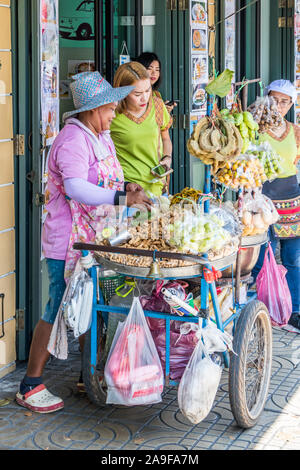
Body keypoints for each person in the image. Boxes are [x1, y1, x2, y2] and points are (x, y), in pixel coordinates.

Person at [15, 71, 152, 413]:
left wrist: (130, 187)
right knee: (58, 307)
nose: (114, 114)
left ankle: (87, 375)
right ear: (93, 109)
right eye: (109, 108)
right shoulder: (72, 139)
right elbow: (76, 187)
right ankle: (30, 384)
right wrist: (121, 198)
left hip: (97, 239)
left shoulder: (100, 135)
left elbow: (108, 178)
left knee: (92, 307)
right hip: (68, 242)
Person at [251, 79, 300, 332]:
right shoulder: (255, 129)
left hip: (291, 197)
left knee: (292, 258)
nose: (278, 106)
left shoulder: (295, 131)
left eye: (284, 102)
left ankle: (294, 311)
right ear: (266, 98)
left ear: (291, 104)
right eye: (274, 100)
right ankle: (263, 309)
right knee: (262, 257)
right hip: (262, 197)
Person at [110, 61, 173, 196]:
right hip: (126, 189)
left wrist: (167, 158)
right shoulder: (111, 113)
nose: (144, 98)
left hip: (157, 186)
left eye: (148, 90)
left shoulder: (157, 105)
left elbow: (165, 138)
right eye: (137, 94)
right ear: (122, 91)